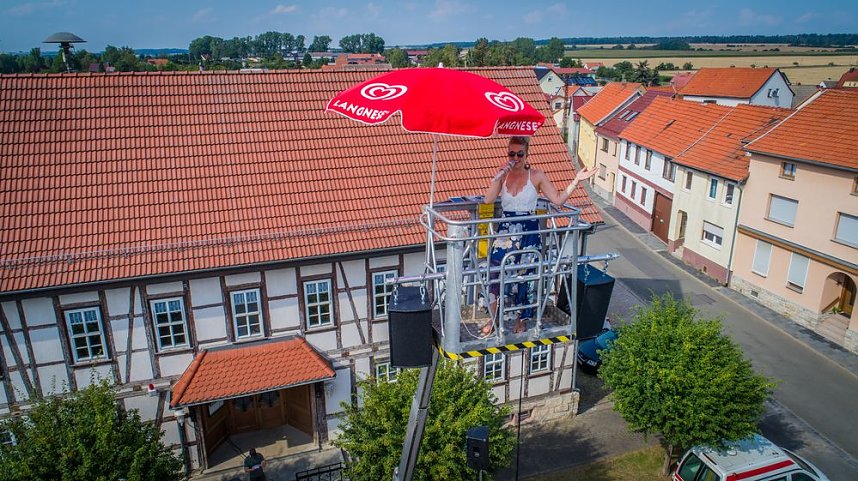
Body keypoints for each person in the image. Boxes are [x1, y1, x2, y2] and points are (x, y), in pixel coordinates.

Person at [482, 136, 596, 335]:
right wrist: (499, 176)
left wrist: (577, 180)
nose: (515, 157)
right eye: (511, 153)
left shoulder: (536, 175)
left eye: (519, 154)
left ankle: (521, 319)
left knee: (523, 276)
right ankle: (493, 319)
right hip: (506, 232)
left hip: (528, 230)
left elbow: (558, 200)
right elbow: (488, 200)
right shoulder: (504, 176)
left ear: (527, 155)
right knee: (495, 271)